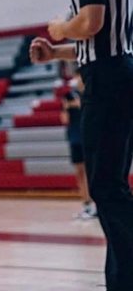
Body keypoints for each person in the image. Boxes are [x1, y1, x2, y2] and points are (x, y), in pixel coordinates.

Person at [30, 0, 133, 291]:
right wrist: (55, 53)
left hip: (107, 83)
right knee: (110, 186)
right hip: (114, 74)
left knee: (105, 188)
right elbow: (98, 40)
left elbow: (91, 23)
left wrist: (60, 28)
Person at [60, 71, 96, 219]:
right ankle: (86, 204)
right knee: (79, 173)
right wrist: (66, 106)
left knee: (91, 172)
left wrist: (79, 104)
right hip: (74, 138)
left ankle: (96, 204)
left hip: (88, 137)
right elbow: (64, 120)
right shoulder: (69, 96)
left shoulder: (90, 94)